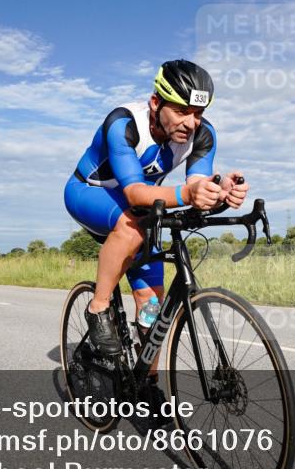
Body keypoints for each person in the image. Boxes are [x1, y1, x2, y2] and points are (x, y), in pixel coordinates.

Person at [64, 59, 249, 366]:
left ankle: (147, 384)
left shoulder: (203, 135)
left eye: (198, 114)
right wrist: (188, 194)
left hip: (143, 207)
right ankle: (98, 307)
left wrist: (220, 192)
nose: (191, 123)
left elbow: (196, 184)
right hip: (89, 192)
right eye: (181, 111)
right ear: (155, 102)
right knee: (133, 225)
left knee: (152, 308)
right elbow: (135, 192)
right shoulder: (124, 123)